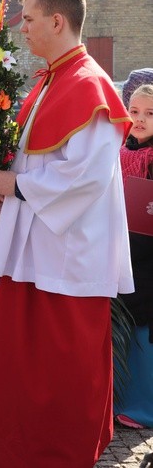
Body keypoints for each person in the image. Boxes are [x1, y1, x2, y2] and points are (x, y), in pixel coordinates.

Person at [0, 0, 133, 467]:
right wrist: (2, 194)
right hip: (35, 248)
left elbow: (85, 177)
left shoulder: (89, 85)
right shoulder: (49, 81)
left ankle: (60, 455)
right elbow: (31, 162)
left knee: (61, 370)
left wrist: (18, 187)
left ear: (58, 19)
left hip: (67, 258)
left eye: (28, 19)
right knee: (29, 369)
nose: (21, 28)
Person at [115, 72, 153, 430]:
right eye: (134, 110)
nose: (139, 119)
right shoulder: (121, 153)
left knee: (144, 330)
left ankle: (144, 405)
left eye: (150, 113)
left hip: (148, 258)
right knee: (123, 325)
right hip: (121, 248)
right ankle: (122, 398)